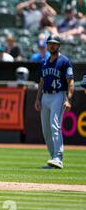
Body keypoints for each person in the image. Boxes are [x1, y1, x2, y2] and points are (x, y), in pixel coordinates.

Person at [34, 35, 74, 169]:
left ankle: (59, 157)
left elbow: (70, 82)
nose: (52, 45)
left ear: (59, 46)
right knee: (46, 130)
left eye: (55, 44)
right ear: (47, 45)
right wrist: (38, 99)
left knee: (54, 125)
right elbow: (41, 82)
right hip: (45, 96)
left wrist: (68, 99)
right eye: (50, 43)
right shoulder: (44, 63)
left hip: (58, 95)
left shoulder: (64, 61)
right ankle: (53, 159)